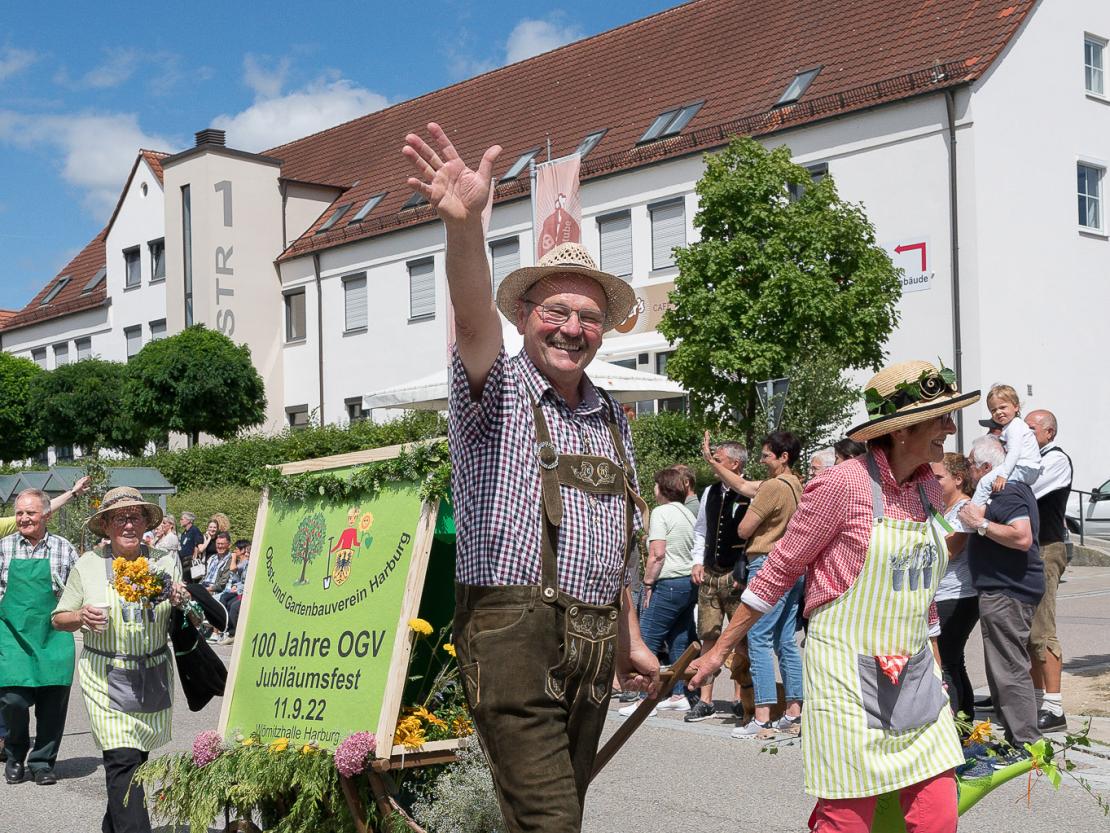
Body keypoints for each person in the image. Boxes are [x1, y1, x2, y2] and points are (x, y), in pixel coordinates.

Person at [403, 122, 659, 833]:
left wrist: (629, 635)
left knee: (546, 815)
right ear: (525, 317)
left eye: (588, 316)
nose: (572, 328)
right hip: (511, 632)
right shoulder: (497, 390)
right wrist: (462, 228)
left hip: (591, 637)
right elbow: (471, 312)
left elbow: (615, 537)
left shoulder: (611, 414)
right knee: (552, 821)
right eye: (556, 312)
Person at [690, 359, 979, 832]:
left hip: (914, 669)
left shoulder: (928, 485)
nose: (950, 427)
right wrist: (721, 648)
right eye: (941, 417)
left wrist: (937, 660)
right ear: (902, 431)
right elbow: (779, 569)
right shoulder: (843, 484)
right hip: (846, 671)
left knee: (937, 807)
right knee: (847, 813)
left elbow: (919, 582)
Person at [52, 487, 188, 833]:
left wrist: (180, 598)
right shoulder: (88, 564)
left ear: (145, 522)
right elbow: (59, 618)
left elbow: (187, 610)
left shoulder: (164, 560)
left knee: (137, 760)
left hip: (153, 672)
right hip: (105, 674)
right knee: (123, 760)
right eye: (120, 518)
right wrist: (81, 615)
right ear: (107, 525)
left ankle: (112, 827)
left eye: (135, 516)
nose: (129, 524)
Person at [958, 436, 1044, 766]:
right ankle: (1017, 739)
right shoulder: (999, 489)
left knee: (1008, 668)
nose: (967, 470)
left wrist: (978, 524)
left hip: (1009, 590)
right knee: (1002, 669)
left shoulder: (1003, 489)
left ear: (986, 467)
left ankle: (1026, 743)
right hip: (1004, 589)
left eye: (969, 464)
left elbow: (1021, 537)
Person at [0, 476, 89, 765]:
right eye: (20, 513)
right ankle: (14, 754)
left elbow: (78, 590)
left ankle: (42, 762)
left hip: (54, 637)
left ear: (46, 515)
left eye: (30, 513)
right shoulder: (3, 548)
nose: (23, 518)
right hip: (12, 637)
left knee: (53, 703)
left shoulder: (64, 549)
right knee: (12, 700)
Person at [732, 431, 805, 739]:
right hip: (795, 564)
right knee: (785, 639)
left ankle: (762, 717)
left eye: (765, 456)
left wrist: (754, 523)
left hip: (767, 563)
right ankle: (793, 713)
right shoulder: (800, 485)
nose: (761, 461)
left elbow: (743, 528)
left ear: (782, 457)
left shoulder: (773, 486)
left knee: (759, 637)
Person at [620, 468, 697, 716]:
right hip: (688, 583)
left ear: (661, 488)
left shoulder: (661, 513)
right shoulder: (687, 513)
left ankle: (644, 698)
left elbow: (657, 553)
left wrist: (648, 583)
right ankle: (678, 693)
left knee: (647, 639)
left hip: (666, 583)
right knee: (679, 638)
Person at [689, 439, 753, 723]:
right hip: (711, 573)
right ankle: (706, 699)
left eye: (718, 459)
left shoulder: (752, 491)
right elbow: (701, 529)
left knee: (739, 639)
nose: (713, 463)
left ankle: (740, 697)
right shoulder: (709, 492)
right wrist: (697, 561)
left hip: (735, 573)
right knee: (708, 634)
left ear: (735, 464)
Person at [1025, 409, 1072, 732]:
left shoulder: (1055, 460)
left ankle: (1054, 707)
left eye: (1030, 430)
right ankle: (1035, 698)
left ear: (1049, 432)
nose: (1024, 435)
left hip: (1046, 548)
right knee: (1028, 631)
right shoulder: (1031, 458)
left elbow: (1029, 489)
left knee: (1043, 628)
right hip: (1028, 549)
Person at [931, 452, 978, 722]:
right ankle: (965, 723)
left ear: (958, 479)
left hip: (959, 594)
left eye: (939, 477)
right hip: (942, 592)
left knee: (946, 661)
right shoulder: (944, 509)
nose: (933, 482)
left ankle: (956, 729)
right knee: (954, 660)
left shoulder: (964, 509)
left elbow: (951, 551)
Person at [970, 384, 1041, 506]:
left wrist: (1003, 475)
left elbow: (1014, 452)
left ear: (1016, 406)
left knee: (984, 482)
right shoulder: (1011, 426)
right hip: (1027, 469)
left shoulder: (1015, 426)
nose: (998, 412)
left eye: (1003, 407)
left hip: (1024, 467)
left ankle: (973, 510)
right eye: (993, 410)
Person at [177, 512, 204, 580]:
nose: (180, 521)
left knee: (190, 582)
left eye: (182, 519)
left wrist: (195, 555)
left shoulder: (194, 530)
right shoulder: (184, 533)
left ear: (189, 520)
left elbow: (199, 542)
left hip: (190, 562)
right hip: (183, 562)